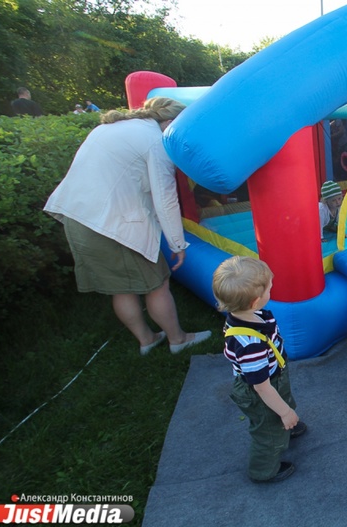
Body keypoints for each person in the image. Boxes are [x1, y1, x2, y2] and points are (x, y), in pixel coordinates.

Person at [44, 97, 211, 355]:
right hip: (113, 227)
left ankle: (147, 339)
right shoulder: (156, 141)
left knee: (121, 289)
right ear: (169, 123)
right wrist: (178, 244)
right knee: (157, 285)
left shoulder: (110, 127)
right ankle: (178, 340)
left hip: (77, 219)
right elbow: (165, 200)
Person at [212, 256, 307, 483]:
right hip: (261, 389)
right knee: (268, 432)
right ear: (255, 301)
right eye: (269, 289)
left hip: (274, 378)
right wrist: (284, 412)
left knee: (284, 400)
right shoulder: (250, 345)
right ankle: (263, 470)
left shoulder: (246, 315)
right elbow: (262, 388)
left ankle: (286, 424)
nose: (272, 289)